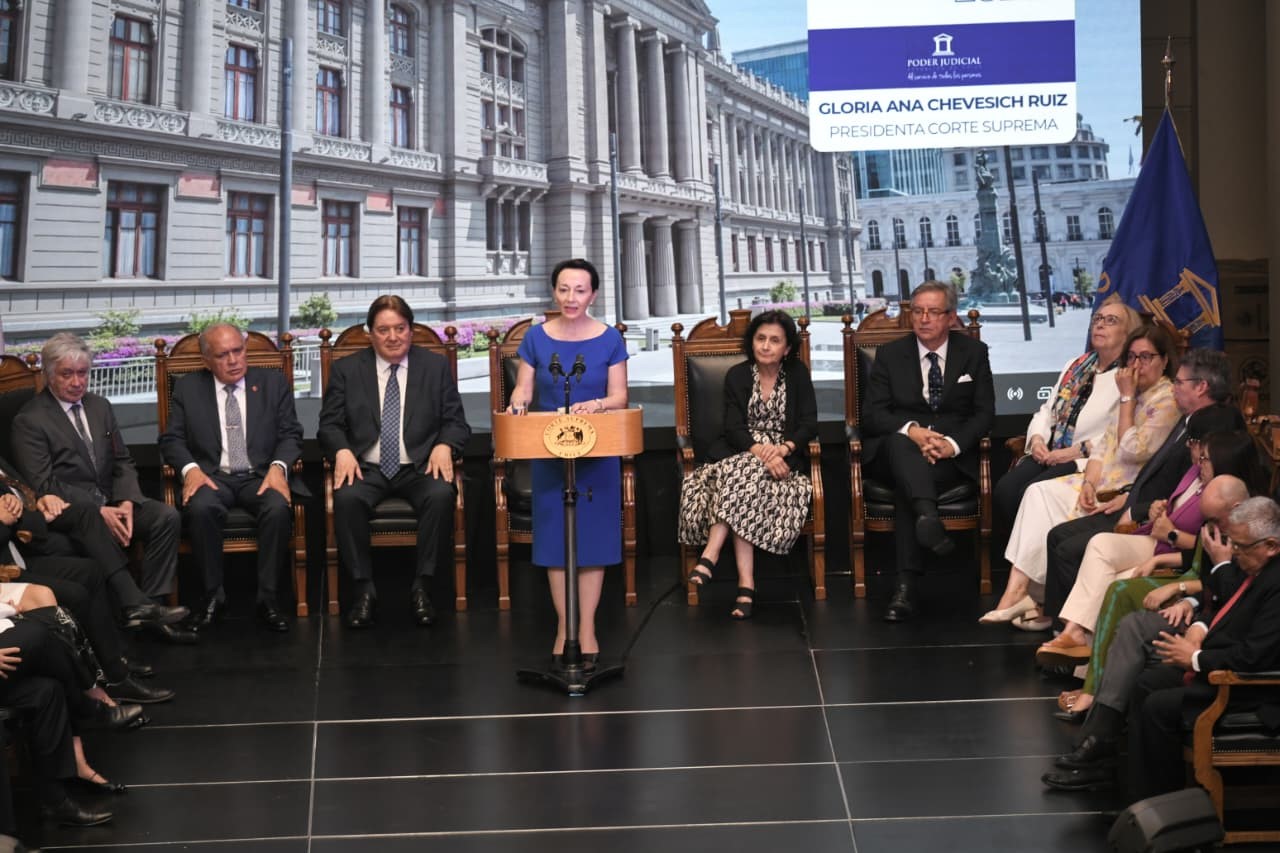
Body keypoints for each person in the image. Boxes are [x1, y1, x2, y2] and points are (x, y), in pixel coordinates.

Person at [1042, 497, 1280, 801]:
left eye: (1240, 547)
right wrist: (1199, 628)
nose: (1234, 552)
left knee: (1157, 706)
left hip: (1246, 688)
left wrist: (1195, 658)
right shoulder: (1255, 565)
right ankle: (1128, 785)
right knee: (1144, 683)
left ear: (1271, 546)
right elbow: (1223, 606)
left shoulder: (1273, 582)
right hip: (1217, 657)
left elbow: (1254, 655)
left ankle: (1162, 802)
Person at [982, 324, 1180, 629]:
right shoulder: (1132, 393)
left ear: (1164, 360)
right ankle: (1019, 592)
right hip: (1098, 480)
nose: (1137, 365)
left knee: (1048, 505)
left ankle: (1040, 602)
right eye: (1131, 357)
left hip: (1125, 490)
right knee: (1038, 492)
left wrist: (1126, 398)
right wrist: (1088, 482)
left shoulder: (1167, 400)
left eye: (1146, 357)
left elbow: (1132, 449)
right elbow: (1102, 448)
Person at [9, 333, 194, 644]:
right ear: (49, 374)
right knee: (91, 522)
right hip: (74, 513)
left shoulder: (100, 406)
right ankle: (137, 606)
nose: (77, 382)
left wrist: (126, 501)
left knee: (165, 517)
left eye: (83, 373)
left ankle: (147, 608)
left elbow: (122, 460)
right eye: (67, 374)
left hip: (114, 502)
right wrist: (99, 509)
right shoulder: (30, 420)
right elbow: (43, 483)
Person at [1039, 349, 1236, 625]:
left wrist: (1140, 512)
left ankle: (1073, 631)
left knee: (1070, 550)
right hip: (1143, 509)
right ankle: (1060, 627)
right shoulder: (1186, 420)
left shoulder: (1212, 435)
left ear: (1201, 387)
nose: (1173, 387)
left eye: (1179, 382)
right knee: (1057, 536)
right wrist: (1130, 500)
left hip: (1160, 527)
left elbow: (1179, 492)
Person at [1036, 425, 1258, 668]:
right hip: (1156, 540)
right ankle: (1074, 631)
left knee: (1114, 582)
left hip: (1175, 553)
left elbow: (1202, 551)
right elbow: (1173, 507)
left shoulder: (1227, 502)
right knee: (1099, 543)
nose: (1198, 461)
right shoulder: (1195, 475)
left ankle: (1086, 668)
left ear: (1223, 463)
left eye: (1205, 458)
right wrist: (1157, 510)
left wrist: (1171, 536)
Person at [318, 295, 471, 629]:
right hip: (367, 467)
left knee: (441, 495)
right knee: (346, 498)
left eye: (400, 328)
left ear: (411, 330)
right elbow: (329, 425)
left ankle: (423, 587)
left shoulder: (434, 367)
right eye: (383, 330)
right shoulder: (347, 370)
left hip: (420, 466)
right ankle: (364, 590)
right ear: (370, 333)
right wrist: (342, 450)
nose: (393, 337)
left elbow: (457, 423)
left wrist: (444, 444)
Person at [508, 259, 628, 663]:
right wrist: (517, 403)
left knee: (593, 539)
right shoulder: (535, 338)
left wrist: (596, 404)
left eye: (579, 290)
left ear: (593, 294)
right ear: (554, 292)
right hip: (551, 451)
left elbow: (619, 397)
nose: (570, 297)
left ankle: (587, 627)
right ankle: (565, 626)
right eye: (563, 289)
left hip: (598, 450)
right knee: (555, 541)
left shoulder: (609, 339)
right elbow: (524, 390)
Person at [1054, 474, 1251, 721]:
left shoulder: (1250, 539)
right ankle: (1095, 692)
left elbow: (1234, 594)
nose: (1200, 461)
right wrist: (1186, 596)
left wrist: (1182, 589)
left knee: (1121, 592)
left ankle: (1097, 693)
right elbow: (1202, 564)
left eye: (1205, 458)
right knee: (1119, 592)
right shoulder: (1210, 510)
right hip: (1192, 589)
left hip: (1210, 617)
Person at [860, 280, 996, 622]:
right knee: (900, 445)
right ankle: (928, 520)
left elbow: (984, 414)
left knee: (909, 485)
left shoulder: (974, 353)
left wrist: (950, 445)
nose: (923, 319)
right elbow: (873, 415)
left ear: (950, 316)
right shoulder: (891, 354)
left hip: (947, 459)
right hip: (896, 452)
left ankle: (905, 585)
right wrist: (913, 431)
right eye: (917, 311)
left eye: (933, 312)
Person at [158, 323, 306, 633]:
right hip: (213, 476)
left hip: (260, 475)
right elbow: (172, 440)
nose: (234, 360)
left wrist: (279, 467)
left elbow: (291, 433)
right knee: (201, 509)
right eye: (222, 355)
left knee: (277, 509)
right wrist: (191, 470)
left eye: (238, 351)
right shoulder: (188, 388)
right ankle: (214, 597)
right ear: (206, 359)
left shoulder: (272, 382)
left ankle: (268, 599)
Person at [677, 310, 817, 619]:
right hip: (743, 450)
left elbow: (809, 424)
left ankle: (712, 557)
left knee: (739, 478)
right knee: (741, 472)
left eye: (775, 340)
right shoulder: (738, 375)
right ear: (752, 343)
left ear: (787, 348)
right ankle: (746, 584)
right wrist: (761, 453)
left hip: (783, 461)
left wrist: (783, 449)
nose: (766, 346)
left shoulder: (798, 375)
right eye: (760, 338)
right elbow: (733, 428)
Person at [1, 460, 176, 703]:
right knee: (76, 592)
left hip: (19, 551)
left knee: (90, 570)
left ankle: (115, 662)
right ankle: (107, 681)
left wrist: (32, 506)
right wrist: (6, 519)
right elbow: (11, 524)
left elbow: (22, 506)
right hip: (7, 570)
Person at [993, 294, 1142, 526]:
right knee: (1005, 490)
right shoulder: (1076, 365)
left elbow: (1121, 431)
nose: (1100, 325)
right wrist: (1038, 439)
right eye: (1097, 319)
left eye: (1111, 320)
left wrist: (1075, 451)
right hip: (1050, 452)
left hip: (1088, 460)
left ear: (1128, 333)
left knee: (1030, 494)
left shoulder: (1129, 377)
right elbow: (1047, 410)